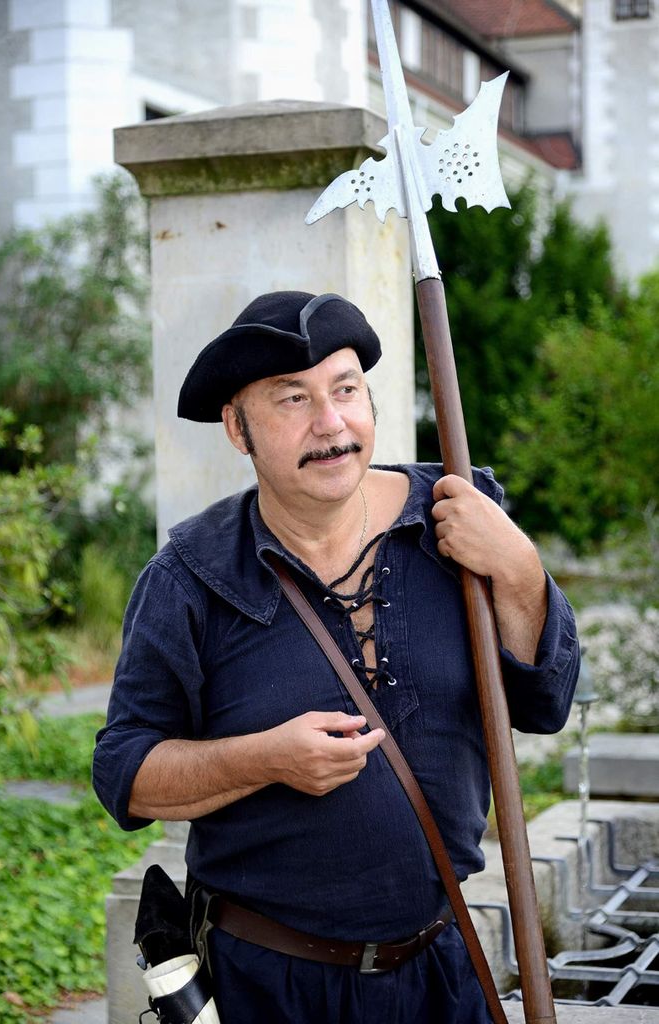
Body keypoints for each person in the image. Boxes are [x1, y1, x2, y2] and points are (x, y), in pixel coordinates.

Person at [93, 290, 580, 1024]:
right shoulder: (189, 578)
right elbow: (124, 777)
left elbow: (544, 705)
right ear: (237, 427)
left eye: (345, 389)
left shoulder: (456, 521)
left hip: (444, 975)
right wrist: (265, 759)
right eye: (293, 399)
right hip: (268, 986)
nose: (331, 424)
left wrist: (519, 568)